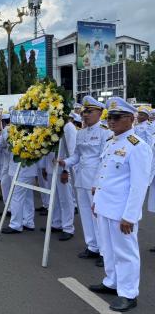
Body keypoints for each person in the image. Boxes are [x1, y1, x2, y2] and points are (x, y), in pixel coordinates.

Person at [88, 97, 151, 312]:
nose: (111, 121)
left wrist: (130, 216)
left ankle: (128, 293)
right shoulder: (111, 142)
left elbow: (139, 185)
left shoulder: (138, 146)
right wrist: (96, 202)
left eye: (116, 117)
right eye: (109, 117)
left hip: (121, 211)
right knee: (108, 249)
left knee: (125, 252)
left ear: (130, 119)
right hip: (105, 206)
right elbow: (103, 174)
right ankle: (112, 282)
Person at [59, 96, 111, 267]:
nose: (85, 115)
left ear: (100, 112)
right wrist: (65, 162)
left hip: (96, 181)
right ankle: (92, 246)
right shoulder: (80, 132)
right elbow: (76, 156)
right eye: (84, 112)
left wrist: (98, 183)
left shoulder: (106, 132)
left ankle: (104, 252)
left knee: (98, 217)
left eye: (89, 111)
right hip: (81, 179)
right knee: (85, 214)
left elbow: (105, 161)